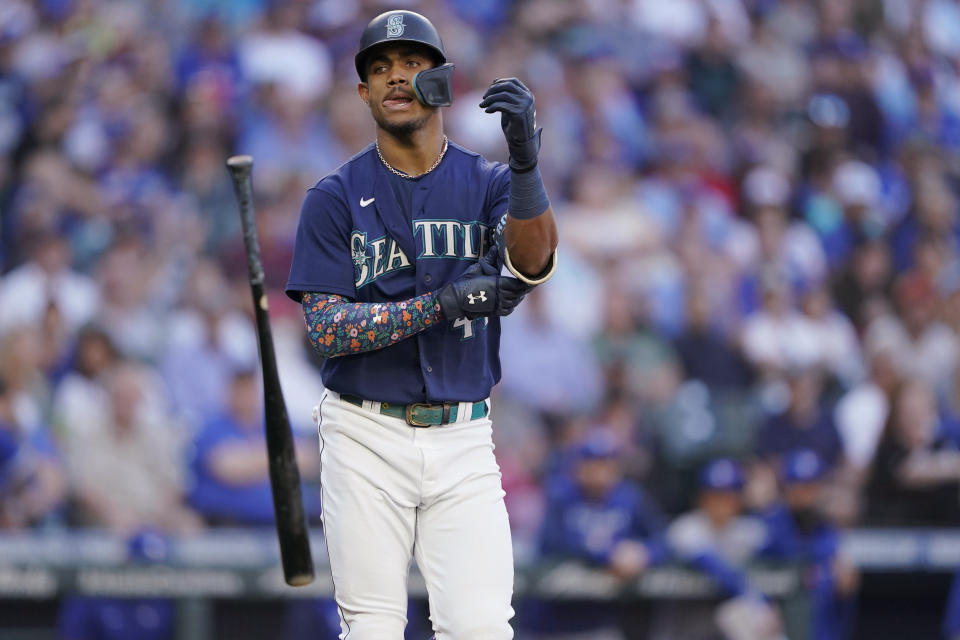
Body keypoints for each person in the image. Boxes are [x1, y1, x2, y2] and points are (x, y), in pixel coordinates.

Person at [284, 10, 558, 639]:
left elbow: (532, 262)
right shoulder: (334, 195)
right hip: (363, 431)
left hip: (463, 435)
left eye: (411, 63)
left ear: (441, 80)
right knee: (375, 628)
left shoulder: (488, 181)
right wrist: (439, 305)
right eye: (379, 68)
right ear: (362, 93)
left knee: (482, 628)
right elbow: (326, 330)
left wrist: (524, 164)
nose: (395, 77)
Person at [523, 429, 667, 640]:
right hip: (550, 621)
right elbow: (556, 541)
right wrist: (609, 554)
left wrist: (644, 554)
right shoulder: (560, 495)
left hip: (600, 621)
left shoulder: (630, 497)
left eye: (605, 462)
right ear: (578, 466)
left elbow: (662, 540)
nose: (599, 470)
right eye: (591, 463)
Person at [653, 458, 781, 640]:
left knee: (737, 614)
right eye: (715, 494)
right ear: (701, 498)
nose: (722, 502)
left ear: (740, 498)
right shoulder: (686, 528)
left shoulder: (750, 530)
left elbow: (790, 553)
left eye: (729, 494)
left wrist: (770, 507)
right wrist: (758, 601)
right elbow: (714, 566)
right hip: (685, 627)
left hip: (728, 624)